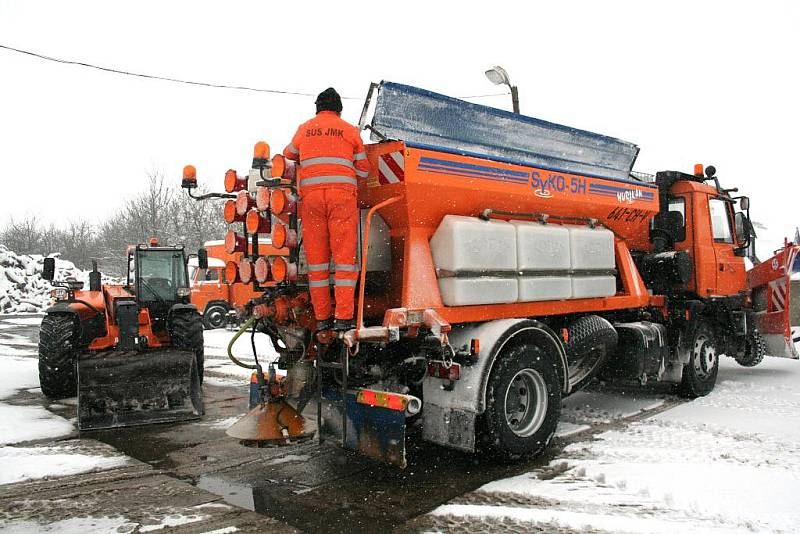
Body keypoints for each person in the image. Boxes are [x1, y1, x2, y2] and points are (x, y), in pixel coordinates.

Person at [283, 88, 370, 332]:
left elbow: (288, 155)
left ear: (318, 107)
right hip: (341, 199)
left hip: (311, 201)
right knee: (344, 261)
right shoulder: (349, 130)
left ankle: (322, 317)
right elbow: (364, 169)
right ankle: (343, 318)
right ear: (339, 109)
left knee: (317, 263)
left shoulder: (305, 128)